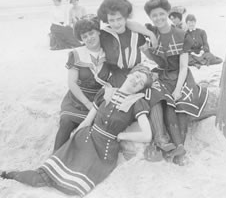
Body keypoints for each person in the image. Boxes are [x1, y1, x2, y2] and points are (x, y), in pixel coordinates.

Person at [1, 65, 154, 196]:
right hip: (84, 139)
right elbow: (88, 120)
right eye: (137, 76)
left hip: (104, 151)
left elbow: (147, 136)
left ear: (141, 89)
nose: (137, 81)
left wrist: (122, 135)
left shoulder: (137, 103)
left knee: (73, 187)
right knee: (42, 177)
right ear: (130, 74)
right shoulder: (106, 92)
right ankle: (11, 175)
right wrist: (71, 140)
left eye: (141, 83)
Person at [96, 0, 172, 159]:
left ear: (126, 18)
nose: (116, 23)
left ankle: (160, 138)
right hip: (117, 76)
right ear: (106, 20)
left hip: (137, 72)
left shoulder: (136, 35)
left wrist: (150, 35)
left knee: (153, 94)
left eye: (119, 19)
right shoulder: (104, 35)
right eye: (112, 20)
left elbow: (150, 57)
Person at [142, 0, 209, 165]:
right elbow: (129, 25)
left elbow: (184, 67)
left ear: (168, 14)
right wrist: (150, 33)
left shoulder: (181, 34)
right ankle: (170, 144)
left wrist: (178, 89)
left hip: (181, 76)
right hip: (164, 74)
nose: (158, 18)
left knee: (181, 103)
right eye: (154, 15)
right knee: (161, 100)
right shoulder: (152, 34)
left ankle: (180, 147)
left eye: (161, 14)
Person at [53, 16, 111, 152]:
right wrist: (86, 103)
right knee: (67, 121)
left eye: (91, 33)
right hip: (77, 99)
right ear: (81, 39)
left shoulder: (109, 53)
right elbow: (72, 83)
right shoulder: (77, 54)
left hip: (98, 99)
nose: (89, 38)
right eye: (85, 36)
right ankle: (55, 157)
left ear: (98, 32)